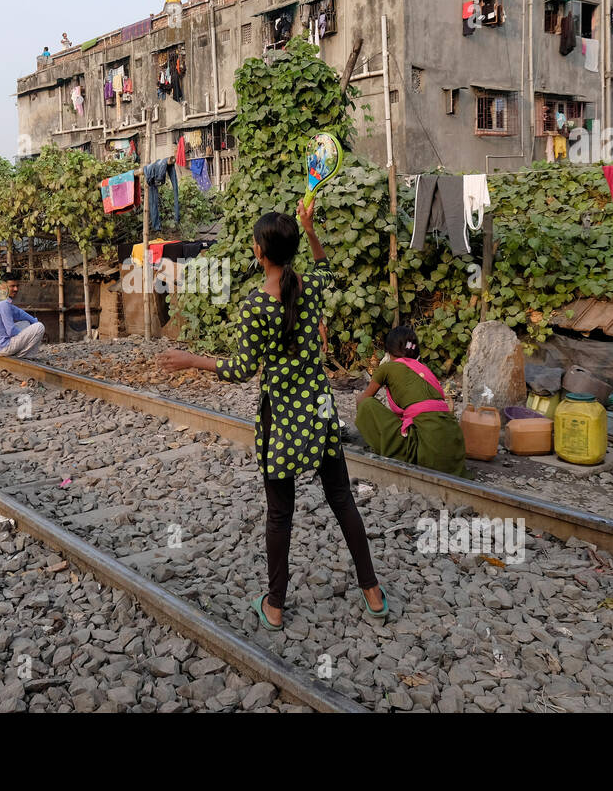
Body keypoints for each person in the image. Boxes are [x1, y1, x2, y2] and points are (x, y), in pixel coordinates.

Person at [157, 199, 389, 630]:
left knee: (280, 514)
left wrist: (191, 360)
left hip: (281, 419)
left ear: (261, 253)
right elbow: (326, 269)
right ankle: (372, 591)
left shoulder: (255, 306)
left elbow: (241, 370)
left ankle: (276, 606)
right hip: (319, 413)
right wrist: (311, 227)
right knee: (342, 500)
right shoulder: (310, 288)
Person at [354, 326, 467, 477]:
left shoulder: (387, 368)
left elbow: (364, 401)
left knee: (367, 405)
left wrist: (358, 397)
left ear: (388, 350)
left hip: (427, 453)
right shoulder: (424, 369)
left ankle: (395, 453)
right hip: (454, 450)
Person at [0, 273, 45, 359]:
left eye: (17, 286)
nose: (16, 289)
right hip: (2, 348)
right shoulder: (3, 303)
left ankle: (22, 353)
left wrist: (34, 321)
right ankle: (25, 356)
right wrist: (25, 337)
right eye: (12, 286)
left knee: (27, 323)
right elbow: (11, 331)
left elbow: (19, 313)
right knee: (39, 327)